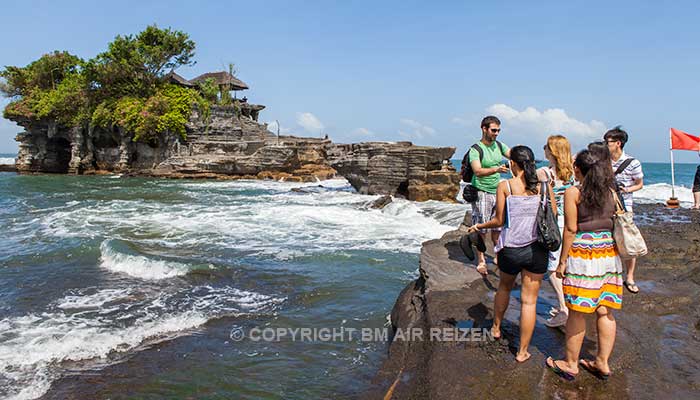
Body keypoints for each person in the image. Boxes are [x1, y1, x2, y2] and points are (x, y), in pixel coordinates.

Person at [467, 145, 555, 362]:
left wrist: (478, 227)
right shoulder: (544, 186)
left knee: (504, 287)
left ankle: (496, 328)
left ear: (513, 164)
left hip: (512, 249)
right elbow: (552, 212)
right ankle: (523, 351)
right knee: (529, 302)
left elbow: (498, 220)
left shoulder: (505, 185)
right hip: (537, 251)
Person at [546, 149, 622, 381]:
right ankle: (602, 362)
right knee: (605, 309)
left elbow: (570, 229)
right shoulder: (611, 191)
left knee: (577, 311)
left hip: (584, 253)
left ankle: (570, 364)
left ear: (578, 168)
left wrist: (562, 261)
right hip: (609, 252)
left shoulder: (573, 192)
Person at [537, 135, 575, 328]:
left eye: (546, 146)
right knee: (566, 266)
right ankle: (571, 305)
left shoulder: (545, 173)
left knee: (553, 269)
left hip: (555, 224)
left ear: (551, 151)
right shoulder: (574, 172)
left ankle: (564, 309)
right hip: (574, 223)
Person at [467, 115, 511, 275]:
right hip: (481, 192)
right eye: (494, 130)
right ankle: (481, 260)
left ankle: (498, 256)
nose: (496, 133)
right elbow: (477, 171)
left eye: (498, 130)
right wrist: (497, 169)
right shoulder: (476, 149)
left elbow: (513, 154)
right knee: (482, 228)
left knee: (498, 227)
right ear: (484, 129)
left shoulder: (499, 145)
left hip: (497, 191)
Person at [604, 127, 644, 294]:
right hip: (605, 207)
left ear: (618, 143)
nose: (605, 144)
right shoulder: (603, 161)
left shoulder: (632, 163)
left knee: (628, 242)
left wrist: (626, 190)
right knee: (608, 241)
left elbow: (640, 183)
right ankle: (610, 276)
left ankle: (630, 277)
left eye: (607, 142)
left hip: (624, 207)